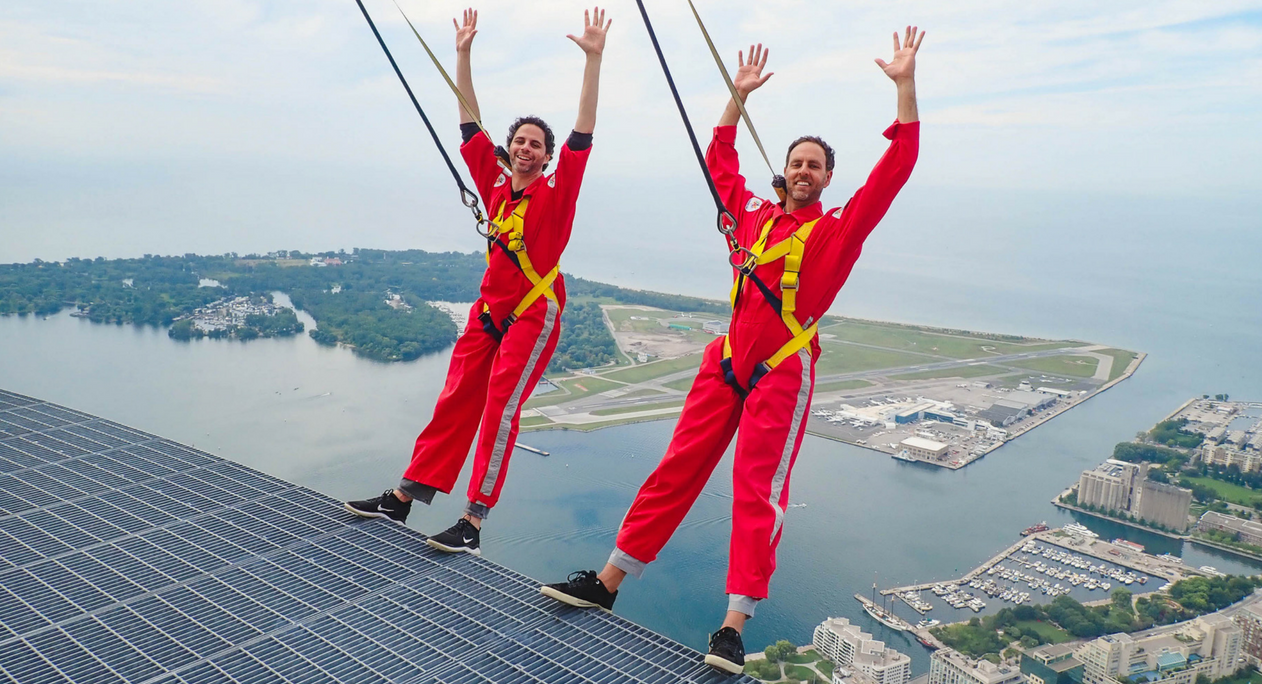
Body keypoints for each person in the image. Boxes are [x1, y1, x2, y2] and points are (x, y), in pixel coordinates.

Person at [541, 27, 925, 673]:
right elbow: (718, 159)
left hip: (782, 368)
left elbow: (897, 169)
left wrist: (905, 88)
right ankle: (606, 584)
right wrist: (736, 99)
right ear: (785, 171)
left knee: (757, 490)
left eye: (815, 165)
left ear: (828, 178)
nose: (804, 171)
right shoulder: (750, 217)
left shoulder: (837, 231)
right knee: (675, 471)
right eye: (796, 162)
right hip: (725, 361)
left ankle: (732, 627)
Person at [345, 7, 612, 556]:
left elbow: (584, 133)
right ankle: (405, 496)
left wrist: (593, 60)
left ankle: (472, 520)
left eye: (537, 144)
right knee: (455, 401)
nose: (527, 148)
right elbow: (469, 122)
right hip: (488, 311)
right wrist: (463, 53)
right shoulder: (494, 184)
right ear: (510, 147)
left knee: (499, 407)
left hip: (534, 313)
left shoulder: (556, 195)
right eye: (521, 140)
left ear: (545, 155)